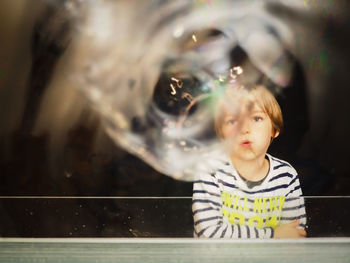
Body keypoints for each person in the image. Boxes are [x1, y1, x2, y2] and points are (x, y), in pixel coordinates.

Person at [192, 83, 307, 238]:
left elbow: (295, 234)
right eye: (232, 121)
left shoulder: (286, 176)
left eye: (256, 118)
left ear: (275, 129)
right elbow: (209, 233)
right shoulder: (210, 170)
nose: (244, 128)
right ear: (221, 134)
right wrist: (272, 235)